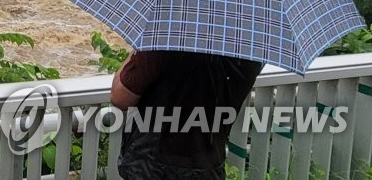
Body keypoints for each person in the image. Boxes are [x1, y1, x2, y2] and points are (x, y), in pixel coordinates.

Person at [110, 50, 263, 180]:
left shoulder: (167, 40)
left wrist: (138, 50)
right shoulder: (251, 49)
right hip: (209, 164)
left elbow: (120, 97)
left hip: (153, 165)